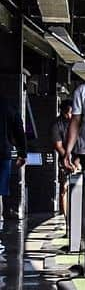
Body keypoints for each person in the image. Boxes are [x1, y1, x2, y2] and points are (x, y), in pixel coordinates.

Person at [0, 91, 27, 227]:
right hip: (3, 153)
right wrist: (22, 153)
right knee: (0, 191)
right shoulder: (9, 106)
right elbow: (19, 131)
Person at [49, 99, 74, 217]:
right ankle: (66, 219)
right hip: (64, 159)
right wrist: (67, 159)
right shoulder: (56, 125)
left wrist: (77, 160)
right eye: (67, 113)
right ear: (62, 111)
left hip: (80, 156)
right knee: (64, 188)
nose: (69, 116)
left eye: (71, 113)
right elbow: (58, 146)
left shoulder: (77, 122)